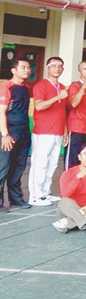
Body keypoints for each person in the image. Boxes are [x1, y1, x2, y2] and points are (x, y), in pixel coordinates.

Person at [28, 57, 68, 207]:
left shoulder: (62, 87)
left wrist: (65, 131)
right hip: (43, 131)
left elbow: (63, 111)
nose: (57, 68)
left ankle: (45, 192)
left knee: (52, 164)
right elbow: (39, 106)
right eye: (54, 66)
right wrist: (58, 97)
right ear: (47, 68)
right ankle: (35, 196)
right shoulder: (41, 85)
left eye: (60, 66)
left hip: (58, 131)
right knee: (40, 163)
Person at [0, 58, 32, 211]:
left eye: (28, 67)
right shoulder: (7, 87)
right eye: (23, 67)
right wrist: (4, 135)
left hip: (23, 131)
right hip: (9, 132)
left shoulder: (25, 88)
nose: (27, 70)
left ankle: (16, 199)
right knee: (3, 167)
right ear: (14, 70)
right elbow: (1, 112)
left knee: (19, 167)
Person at [66, 60, 86, 169]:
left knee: (85, 161)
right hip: (77, 128)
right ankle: (69, 180)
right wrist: (83, 88)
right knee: (73, 162)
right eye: (85, 69)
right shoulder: (75, 85)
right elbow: (74, 103)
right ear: (79, 73)